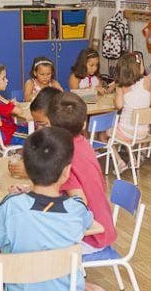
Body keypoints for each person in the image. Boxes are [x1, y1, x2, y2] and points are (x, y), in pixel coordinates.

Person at [0, 127, 118, 291]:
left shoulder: (12, 207)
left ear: (27, 171)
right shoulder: (77, 209)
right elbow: (86, 220)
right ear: (66, 172)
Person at [47, 92, 118, 254]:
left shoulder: (64, 157)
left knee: (29, 240)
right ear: (84, 123)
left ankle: (68, 278)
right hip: (103, 227)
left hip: (89, 237)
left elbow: (79, 202)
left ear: (50, 123)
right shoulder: (83, 143)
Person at [106, 52, 151, 173]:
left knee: (106, 134)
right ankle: (133, 160)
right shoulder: (147, 81)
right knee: (126, 132)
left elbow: (119, 105)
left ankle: (120, 162)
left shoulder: (121, 86)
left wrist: (114, 98)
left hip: (127, 133)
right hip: (143, 132)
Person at [7, 86, 61, 178]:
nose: (39, 128)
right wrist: (20, 157)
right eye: (37, 124)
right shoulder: (47, 136)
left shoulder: (67, 143)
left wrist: (30, 172)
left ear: (59, 118)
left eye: (43, 124)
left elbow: (59, 172)